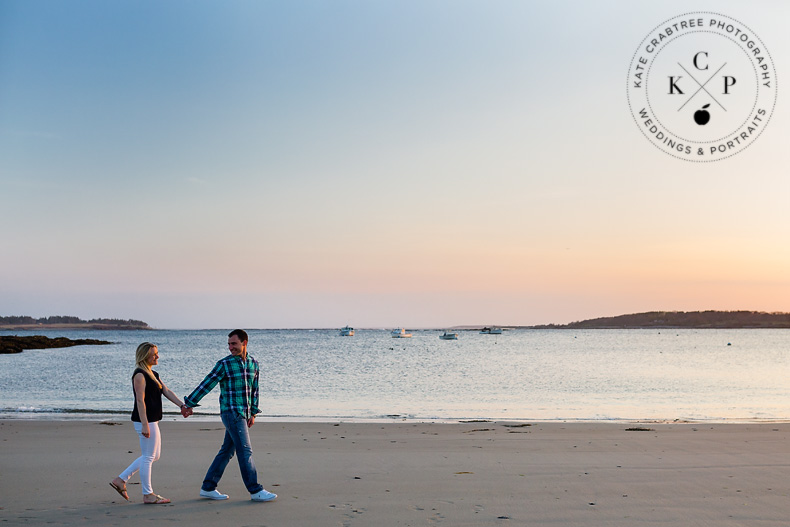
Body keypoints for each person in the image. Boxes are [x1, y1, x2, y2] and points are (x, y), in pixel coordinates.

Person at [183, 329, 277, 502]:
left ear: (244, 343)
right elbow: (207, 384)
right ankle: (255, 490)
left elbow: (254, 391)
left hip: (244, 413)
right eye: (229, 344)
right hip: (230, 412)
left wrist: (253, 413)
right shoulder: (224, 364)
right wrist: (188, 403)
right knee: (245, 450)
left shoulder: (253, 363)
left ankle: (208, 487)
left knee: (227, 451)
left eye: (234, 344)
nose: (230, 348)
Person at [109, 342, 191, 504]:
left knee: (155, 455)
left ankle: (120, 479)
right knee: (148, 456)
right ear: (145, 355)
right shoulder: (139, 374)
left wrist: (182, 405)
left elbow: (166, 391)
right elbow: (140, 401)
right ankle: (148, 494)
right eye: (154, 353)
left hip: (153, 420)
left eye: (157, 353)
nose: (157, 356)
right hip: (145, 421)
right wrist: (145, 424)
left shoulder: (153, 373)